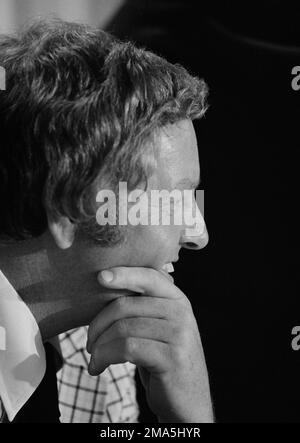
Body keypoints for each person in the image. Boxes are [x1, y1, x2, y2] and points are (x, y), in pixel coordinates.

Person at [0, 18, 213, 423]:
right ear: (67, 208)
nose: (197, 234)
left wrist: (189, 422)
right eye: (174, 197)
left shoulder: (97, 355)